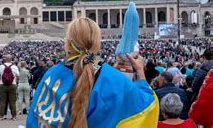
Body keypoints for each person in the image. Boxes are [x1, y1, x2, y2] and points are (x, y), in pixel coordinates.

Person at [27, 18, 159, 128]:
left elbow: (33, 119)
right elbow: (146, 107)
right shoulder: (112, 79)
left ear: (68, 43)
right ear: (97, 43)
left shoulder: (52, 73)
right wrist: (140, 72)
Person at [0, 54, 19, 121]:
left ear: (5, 59)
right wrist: (16, 82)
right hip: (12, 85)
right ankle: (14, 116)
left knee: (3, 101)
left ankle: (2, 116)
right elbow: (18, 76)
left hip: (2, 84)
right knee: (12, 101)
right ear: (11, 59)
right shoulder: (14, 67)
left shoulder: (1, 66)